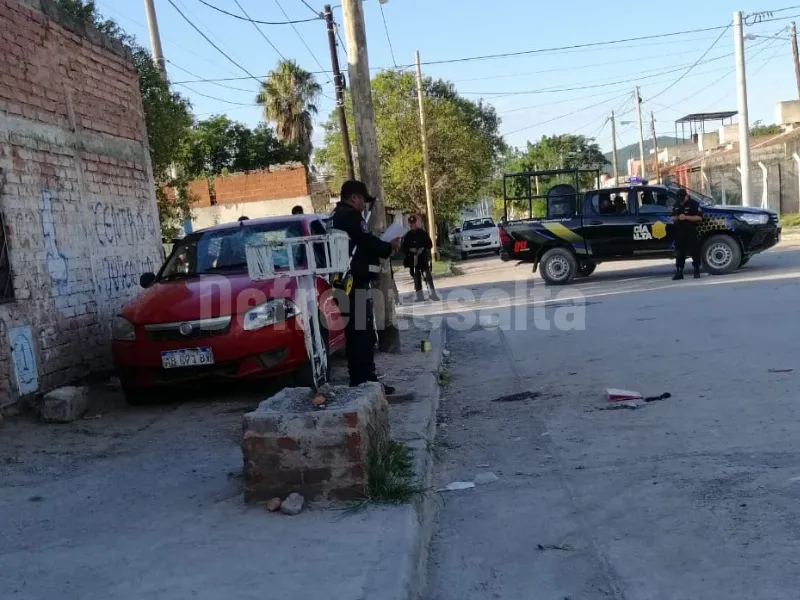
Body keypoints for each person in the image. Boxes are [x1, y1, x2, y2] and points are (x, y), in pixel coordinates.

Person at [331, 180, 400, 392]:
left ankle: (360, 378)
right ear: (354, 198)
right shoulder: (351, 216)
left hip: (344, 283)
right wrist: (388, 246)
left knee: (356, 332)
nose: (363, 206)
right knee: (363, 333)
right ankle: (366, 381)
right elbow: (366, 242)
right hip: (354, 283)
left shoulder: (336, 216)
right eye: (363, 200)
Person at [401, 215, 440, 302]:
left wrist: (422, 248)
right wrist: (410, 249)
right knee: (416, 278)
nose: (412, 226)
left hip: (423, 259)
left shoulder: (422, 233)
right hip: (413, 261)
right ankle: (420, 296)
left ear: (416, 223)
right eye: (411, 224)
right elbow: (403, 248)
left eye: (414, 224)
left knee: (427, 277)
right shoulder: (407, 236)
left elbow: (429, 244)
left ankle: (432, 294)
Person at [671, 188, 703, 280]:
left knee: (694, 251)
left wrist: (686, 217)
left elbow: (699, 218)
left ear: (686, 196)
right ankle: (679, 271)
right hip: (679, 232)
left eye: (682, 198)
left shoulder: (693, 204)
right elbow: (672, 217)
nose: (681, 200)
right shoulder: (676, 204)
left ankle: (696, 270)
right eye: (679, 198)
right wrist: (678, 217)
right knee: (680, 253)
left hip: (690, 231)